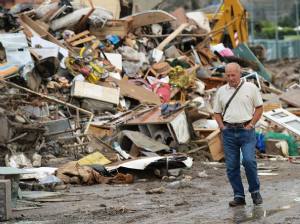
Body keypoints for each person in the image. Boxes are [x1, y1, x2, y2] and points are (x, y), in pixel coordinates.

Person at [213, 62, 263, 207]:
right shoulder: (221, 91)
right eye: (227, 75)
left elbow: (259, 108)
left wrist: (251, 124)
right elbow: (217, 112)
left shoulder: (251, 88)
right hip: (228, 132)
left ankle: (255, 192)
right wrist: (222, 127)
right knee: (231, 166)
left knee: (249, 161)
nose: (230, 78)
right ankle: (239, 196)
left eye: (233, 75)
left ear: (239, 73)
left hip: (246, 130)